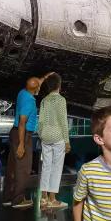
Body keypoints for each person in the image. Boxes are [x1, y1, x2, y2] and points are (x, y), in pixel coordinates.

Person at [3, 73, 52, 209]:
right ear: (36, 90)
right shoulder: (29, 101)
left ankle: (8, 197)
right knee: (23, 168)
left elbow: (35, 83)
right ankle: (18, 200)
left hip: (14, 131)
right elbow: (23, 122)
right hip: (22, 134)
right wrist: (21, 144)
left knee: (12, 166)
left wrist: (45, 77)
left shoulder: (22, 92)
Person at [38, 73, 71, 209]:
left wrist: (41, 135)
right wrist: (67, 141)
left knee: (46, 167)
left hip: (45, 137)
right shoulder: (61, 100)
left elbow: (40, 122)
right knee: (56, 168)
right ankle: (52, 199)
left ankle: (43, 198)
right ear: (59, 85)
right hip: (58, 137)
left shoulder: (44, 100)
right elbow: (63, 122)